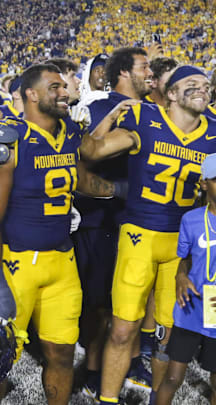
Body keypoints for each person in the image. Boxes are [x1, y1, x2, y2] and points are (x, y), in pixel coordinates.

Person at [0, 63, 119, 405]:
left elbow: (83, 172)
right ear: (31, 93)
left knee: (61, 353)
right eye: (55, 87)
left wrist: (123, 189)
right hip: (16, 263)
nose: (64, 93)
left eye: (64, 86)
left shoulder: (69, 131)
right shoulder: (6, 137)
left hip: (62, 260)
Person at [86, 65, 216, 405]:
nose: (203, 89)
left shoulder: (214, 132)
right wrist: (113, 115)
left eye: (206, 85)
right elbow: (92, 151)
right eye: (192, 84)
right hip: (139, 235)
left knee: (167, 335)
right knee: (123, 328)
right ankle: (108, 399)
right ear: (171, 93)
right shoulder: (145, 118)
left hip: (183, 245)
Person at [74, 46, 155, 398]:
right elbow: (79, 160)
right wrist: (118, 189)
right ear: (123, 72)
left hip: (141, 222)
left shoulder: (155, 111)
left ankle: (132, 361)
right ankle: (93, 371)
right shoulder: (95, 107)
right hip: (102, 218)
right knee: (101, 306)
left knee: (133, 302)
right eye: (144, 66)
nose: (150, 72)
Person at [155, 153, 216, 404]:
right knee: (172, 377)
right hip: (192, 303)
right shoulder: (191, 220)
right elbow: (185, 258)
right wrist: (181, 276)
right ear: (204, 183)